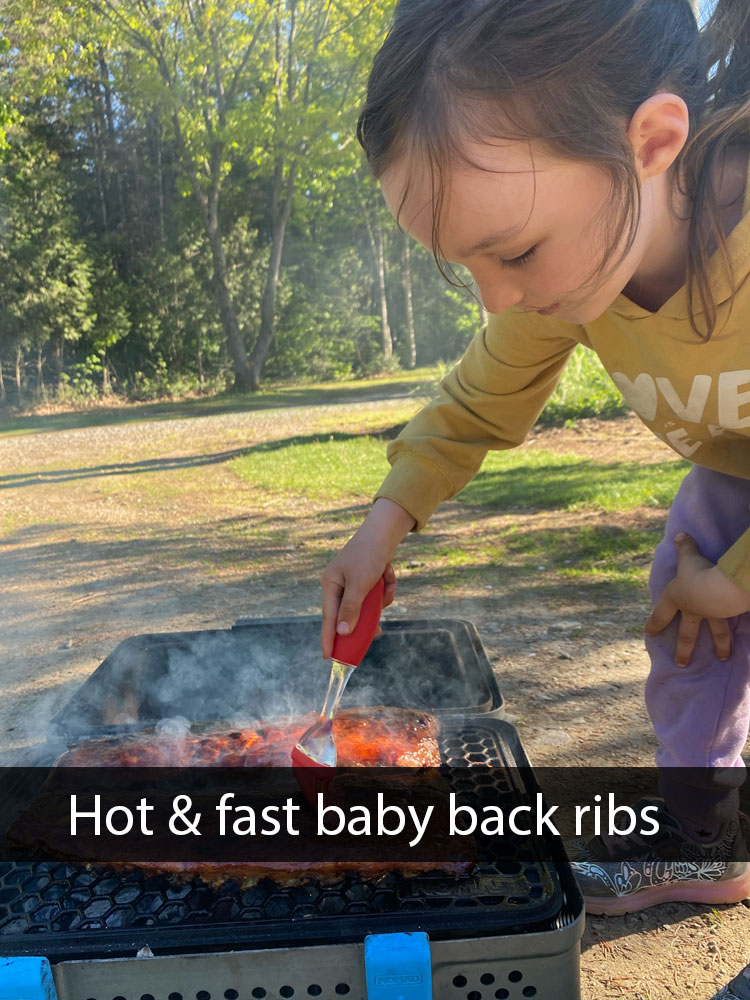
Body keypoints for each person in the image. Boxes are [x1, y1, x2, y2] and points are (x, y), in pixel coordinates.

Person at [320, 0, 750, 914]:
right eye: (464, 266)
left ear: (652, 141)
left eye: (512, 251)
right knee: (691, 647)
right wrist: (380, 527)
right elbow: (473, 406)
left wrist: (738, 578)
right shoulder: (578, 274)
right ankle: (708, 838)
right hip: (736, 476)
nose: (495, 298)